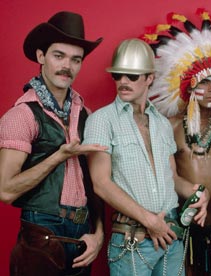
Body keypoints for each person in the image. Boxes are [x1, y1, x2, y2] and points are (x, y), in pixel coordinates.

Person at [83, 38, 209, 276]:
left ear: (150, 77)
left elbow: (172, 176)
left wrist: (199, 192)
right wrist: (150, 221)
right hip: (133, 239)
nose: (123, 81)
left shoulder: (161, 124)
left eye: (132, 76)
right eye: (118, 75)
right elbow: (100, 183)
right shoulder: (101, 120)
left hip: (171, 236)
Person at [141, 10, 211, 276]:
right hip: (182, 230)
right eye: (205, 82)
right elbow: (166, 175)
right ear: (189, 87)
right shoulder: (172, 126)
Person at [0, 11, 105, 276]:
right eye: (59, 56)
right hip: (42, 235)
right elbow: (6, 191)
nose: (66, 66)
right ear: (41, 57)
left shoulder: (85, 114)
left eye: (75, 59)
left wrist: (98, 234)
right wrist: (59, 156)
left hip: (83, 236)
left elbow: (96, 183)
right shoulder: (21, 115)